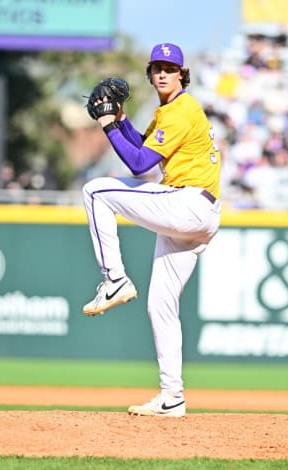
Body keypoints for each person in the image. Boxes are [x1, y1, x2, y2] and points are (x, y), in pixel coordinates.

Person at [81, 43, 222, 417]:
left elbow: (140, 165)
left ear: (182, 74)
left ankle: (115, 279)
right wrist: (123, 120)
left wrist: (108, 123)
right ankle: (172, 396)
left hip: (187, 204)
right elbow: (142, 147)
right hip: (197, 215)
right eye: (156, 67)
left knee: (95, 191)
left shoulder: (179, 111)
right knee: (161, 305)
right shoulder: (170, 112)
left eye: (169, 68)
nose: (162, 73)